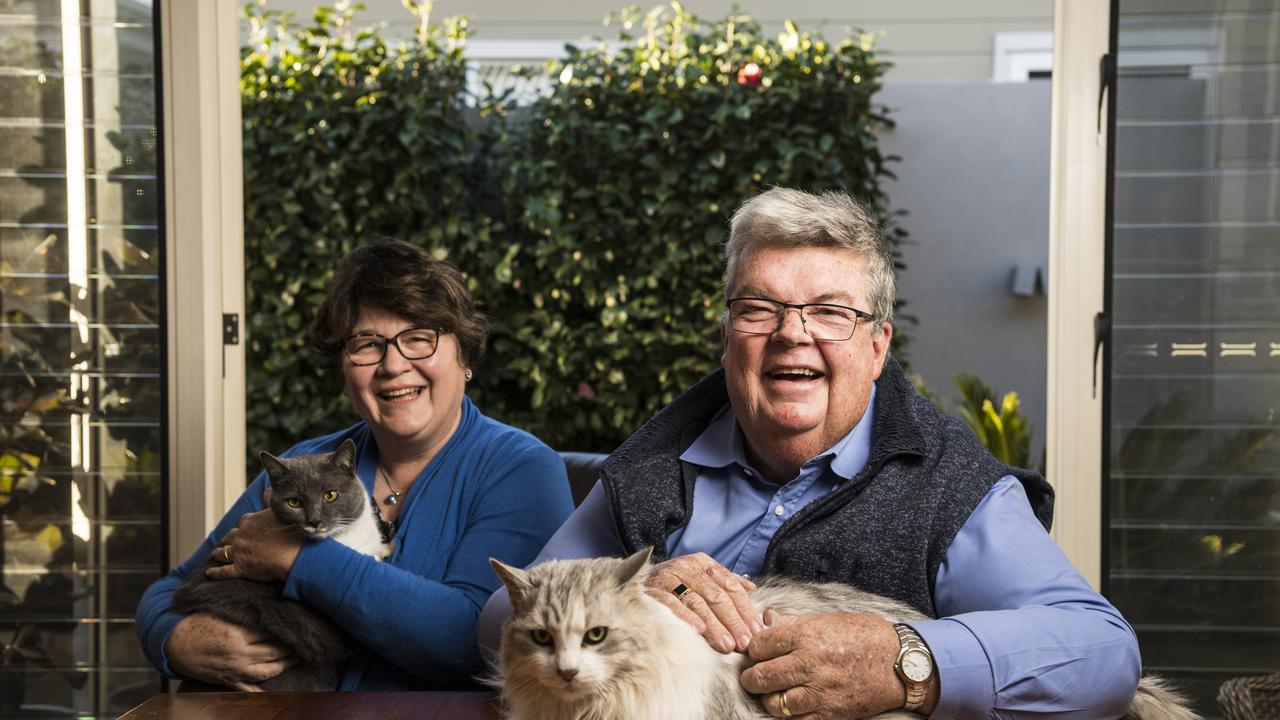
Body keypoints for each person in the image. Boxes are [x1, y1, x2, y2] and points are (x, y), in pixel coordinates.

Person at [478, 188, 1141, 719]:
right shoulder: (650, 466)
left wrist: (908, 662)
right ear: (728, 336)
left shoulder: (953, 488)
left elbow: (1103, 655)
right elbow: (498, 619)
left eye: (829, 312)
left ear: (878, 346)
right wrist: (627, 595)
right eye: (760, 308)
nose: (792, 334)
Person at [138, 239, 574, 691]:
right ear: (346, 369)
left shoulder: (523, 470)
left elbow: (476, 644)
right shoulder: (306, 466)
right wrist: (177, 641)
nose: (393, 365)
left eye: (419, 339)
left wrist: (297, 557)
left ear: (464, 354)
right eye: (367, 345)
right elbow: (165, 594)